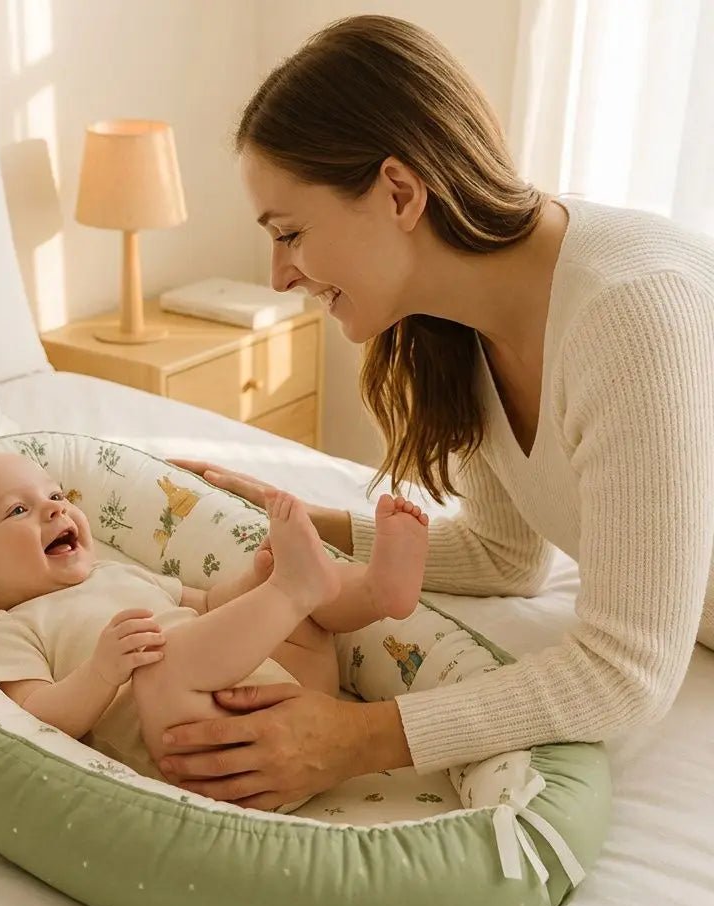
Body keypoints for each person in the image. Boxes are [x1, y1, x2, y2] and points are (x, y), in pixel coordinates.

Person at [155, 13, 714, 811]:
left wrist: (354, 740)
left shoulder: (630, 313)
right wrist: (311, 524)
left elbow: (626, 672)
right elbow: (505, 557)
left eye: (290, 233)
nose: (279, 275)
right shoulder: (461, 325)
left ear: (398, 192)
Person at [0, 451, 430, 808]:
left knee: (293, 609)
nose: (56, 508)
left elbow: (211, 605)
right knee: (161, 666)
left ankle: (377, 592)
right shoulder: (4, 629)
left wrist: (256, 578)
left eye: (57, 495)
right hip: (206, 756)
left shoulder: (113, 571)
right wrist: (101, 673)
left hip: (303, 712)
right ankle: (298, 588)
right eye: (19, 509)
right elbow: (36, 717)